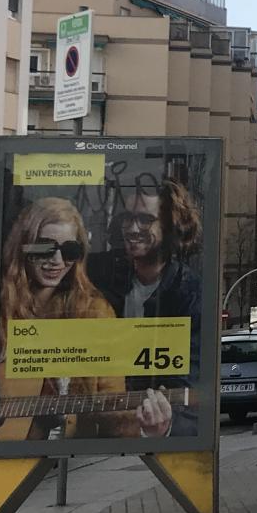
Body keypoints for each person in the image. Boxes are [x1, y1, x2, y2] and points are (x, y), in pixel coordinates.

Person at [0, 196, 171, 442]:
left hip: (73, 455)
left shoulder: (94, 312)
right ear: (23, 247)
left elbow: (111, 403)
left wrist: (147, 429)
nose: (57, 262)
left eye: (69, 251)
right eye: (45, 247)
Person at [88, 174, 204, 435]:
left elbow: (190, 391)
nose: (132, 229)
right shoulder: (101, 273)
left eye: (145, 219)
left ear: (172, 226)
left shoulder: (190, 294)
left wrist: (165, 425)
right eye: (127, 218)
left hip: (145, 428)